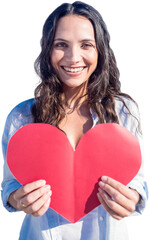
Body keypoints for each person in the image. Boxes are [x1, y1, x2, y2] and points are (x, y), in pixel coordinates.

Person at [1, 1, 148, 240]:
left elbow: (137, 181)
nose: (73, 57)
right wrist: (17, 199)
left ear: (100, 51)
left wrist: (133, 198)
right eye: (61, 45)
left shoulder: (123, 111)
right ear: (48, 50)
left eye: (86, 45)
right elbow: (9, 185)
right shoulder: (22, 116)